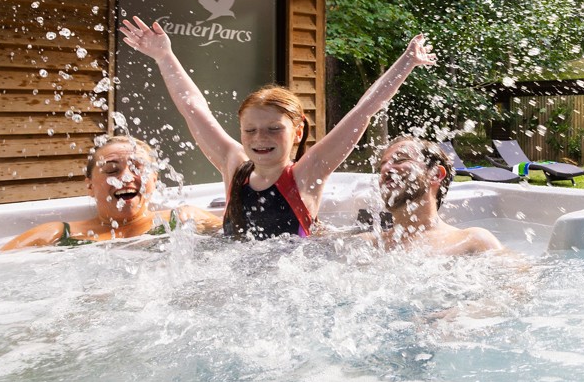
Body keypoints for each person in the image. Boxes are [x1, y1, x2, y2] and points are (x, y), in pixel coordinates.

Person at [119, 16, 436, 240]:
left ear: (297, 133)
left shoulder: (306, 174)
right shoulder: (234, 166)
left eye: (273, 129)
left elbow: (363, 111)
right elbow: (193, 108)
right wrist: (164, 56)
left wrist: (406, 62)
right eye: (250, 130)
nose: (260, 138)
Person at [1, 135, 222, 249]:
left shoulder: (183, 219)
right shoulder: (57, 235)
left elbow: (249, 239)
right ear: (89, 185)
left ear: (154, 180)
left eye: (138, 168)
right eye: (111, 170)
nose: (126, 177)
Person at [372, 135, 502, 254]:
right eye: (382, 166)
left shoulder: (473, 241)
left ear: (435, 174)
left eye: (400, 160)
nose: (386, 169)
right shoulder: (369, 244)